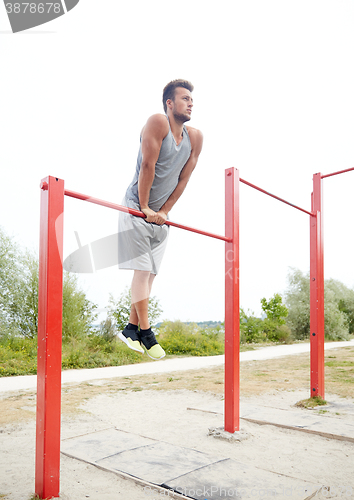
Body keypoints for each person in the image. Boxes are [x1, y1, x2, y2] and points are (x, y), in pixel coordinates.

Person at [117, 79, 203, 360]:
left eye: (192, 99)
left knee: (150, 274)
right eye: (185, 98)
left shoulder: (196, 138)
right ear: (170, 103)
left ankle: (131, 328)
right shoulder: (158, 122)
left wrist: (164, 211)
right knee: (142, 272)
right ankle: (147, 331)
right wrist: (144, 207)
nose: (191, 103)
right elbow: (147, 165)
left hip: (160, 215)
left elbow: (184, 179)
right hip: (135, 206)